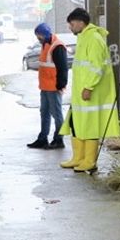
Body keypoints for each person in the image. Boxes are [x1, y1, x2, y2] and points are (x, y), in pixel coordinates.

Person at [58, 8, 120, 173]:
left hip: (90, 92)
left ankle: (89, 161)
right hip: (81, 92)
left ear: (80, 22)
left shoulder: (93, 38)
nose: (70, 28)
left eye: (71, 24)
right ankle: (78, 158)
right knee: (76, 124)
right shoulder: (84, 37)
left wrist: (88, 87)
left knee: (89, 125)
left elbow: (96, 66)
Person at [27, 22, 68, 150]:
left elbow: (63, 68)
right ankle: (42, 139)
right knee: (44, 112)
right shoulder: (45, 43)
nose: (37, 38)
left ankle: (58, 139)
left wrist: (61, 85)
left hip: (54, 87)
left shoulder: (57, 46)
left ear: (43, 34)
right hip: (45, 86)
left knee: (56, 114)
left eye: (38, 36)